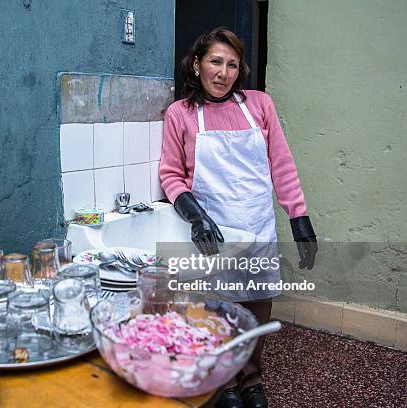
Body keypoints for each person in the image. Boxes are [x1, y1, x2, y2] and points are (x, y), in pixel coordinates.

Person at [159, 27, 318, 408]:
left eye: (232, 64)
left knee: (257, 307)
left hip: (257, 224)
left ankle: (251, 378)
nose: (223, 72)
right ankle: (224, 381)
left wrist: (299, 218)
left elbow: (281, 165)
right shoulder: (180, 114)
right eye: (215, 61)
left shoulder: (260, 105)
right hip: (213, 233)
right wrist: (195, 216)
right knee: (217, 310)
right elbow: (170, 174)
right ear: (197, 64)